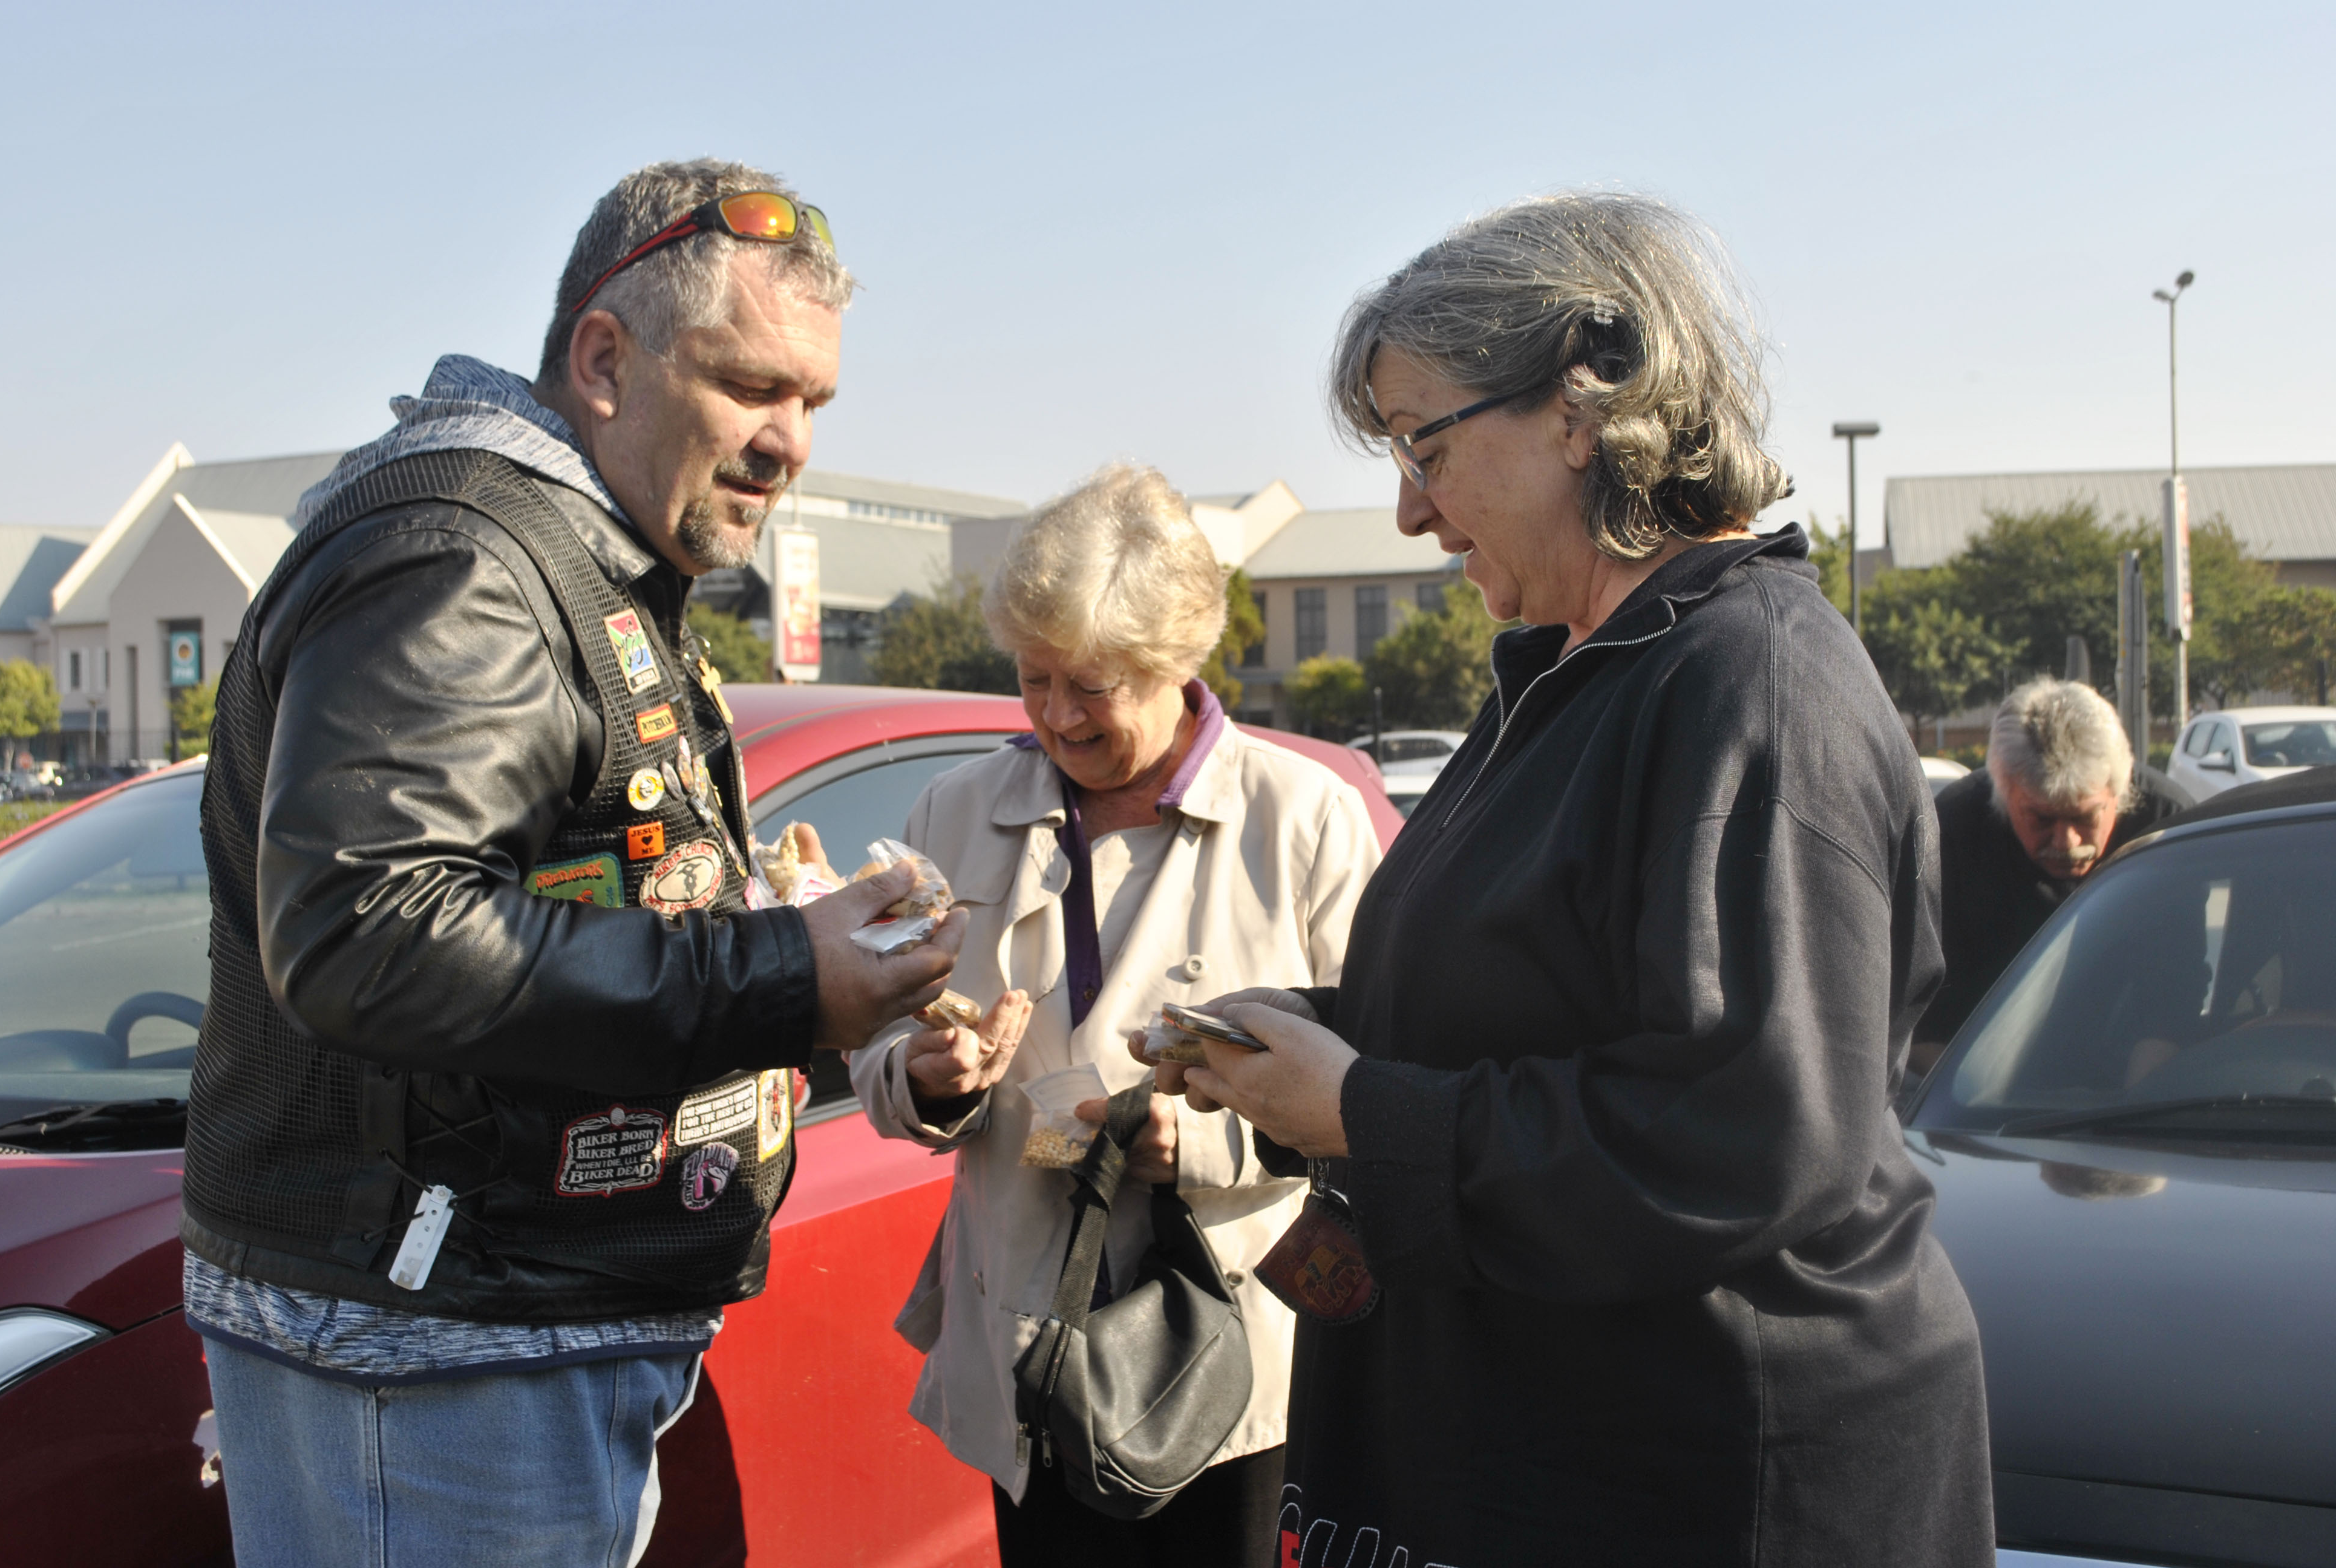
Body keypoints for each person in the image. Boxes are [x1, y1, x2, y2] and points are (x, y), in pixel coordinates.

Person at [1151, 192, 1995, 1567]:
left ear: (1581, 404)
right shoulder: (1570, 670)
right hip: (1547, 1438)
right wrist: (1303, 1041)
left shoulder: (1751, 681)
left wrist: (1363, 1103)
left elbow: (1747, 1130)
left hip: (1711, 1474)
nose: (1412, 510)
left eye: (1423, 444)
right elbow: (1546, 1003)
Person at [184, 159, 963, 1567]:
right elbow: (373, 928)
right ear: (603, 358)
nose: (789, 442)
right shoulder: (472, 553)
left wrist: (797, 940)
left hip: (495, 1332)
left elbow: (569, 884)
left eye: (813, 404)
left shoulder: (583, 556)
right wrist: (786, 972)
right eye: (750, 386)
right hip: (438, 1354)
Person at [846, 464, 1381, 1568]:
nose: (1052, 716)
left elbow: (1374, 1087)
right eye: (1032, 678)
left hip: (1226, 1363)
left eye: (1088, 684)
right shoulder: (957, 809)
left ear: (1177, 660)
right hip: (1026, 1350)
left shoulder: (1306, 821)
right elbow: (872, 1039)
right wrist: (926, 1078)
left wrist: (1205, 1141)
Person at [1919, 678, 2184, 1056]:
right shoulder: (1954, 833)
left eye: (2084, 817)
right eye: (2042, 820)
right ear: (2003, 794)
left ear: (2119, 793)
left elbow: (2181, 986)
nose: (2067, 843)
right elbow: (1928, 1022)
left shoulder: (2169, 826)